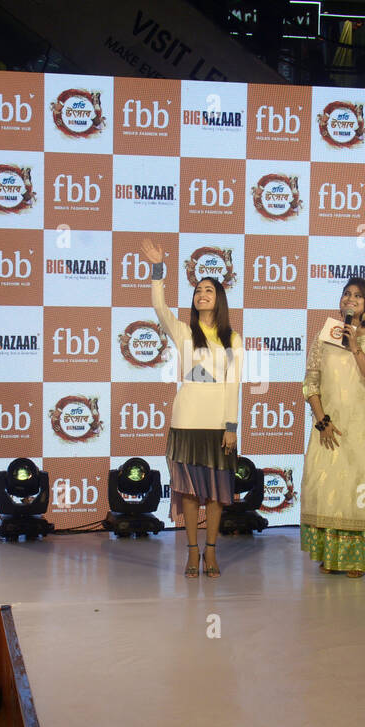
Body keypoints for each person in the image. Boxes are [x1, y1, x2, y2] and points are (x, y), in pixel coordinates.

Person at [141, 239, 242, 579]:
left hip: (218, 423)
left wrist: (231, 426)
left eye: (209, 290)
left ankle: (211, 552)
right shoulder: (183, 332)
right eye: (198, 289)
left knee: (214, 493)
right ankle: (191, 551)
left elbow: (234, 383)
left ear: (219, 298)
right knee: (188, 491)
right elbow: (159, 306)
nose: (202, 294)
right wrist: (158, 270)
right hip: (186, 420)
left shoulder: (233, 338)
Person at [300, 278, 365, 578]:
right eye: (347, 294)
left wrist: (355, 346)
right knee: (329, 490)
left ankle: (357, 558)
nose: (350, 299)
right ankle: (330, 554)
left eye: (358, 296)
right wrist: (321, 420)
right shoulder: (325, 336)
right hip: (328, 426)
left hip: (360, 430)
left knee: (358, 491)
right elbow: (311, 383)